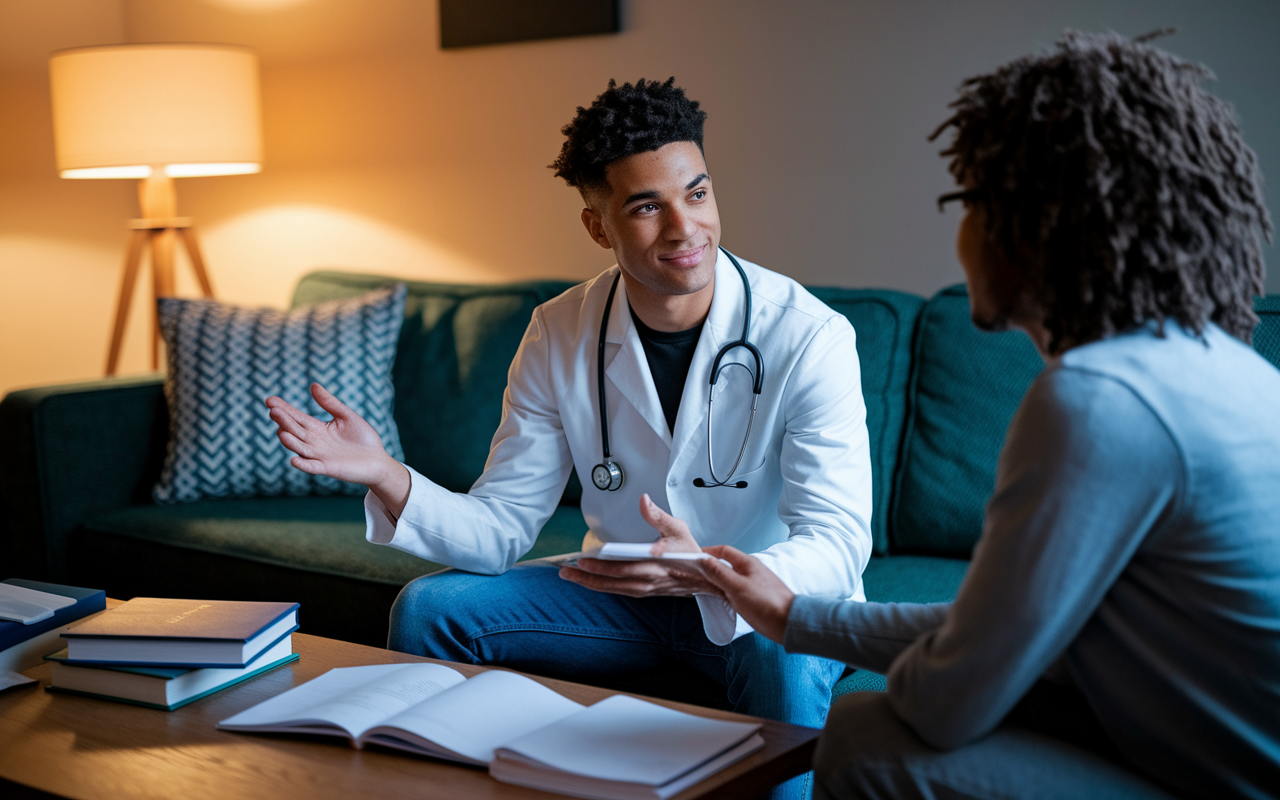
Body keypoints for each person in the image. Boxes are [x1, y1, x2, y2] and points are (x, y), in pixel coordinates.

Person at [673, 31, 1280, 800]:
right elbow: (997, 629)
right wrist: (793, 615)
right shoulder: (1218, 368)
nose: (957, 235)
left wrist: (948, 665)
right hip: (1184, 744)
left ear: (1031, 228)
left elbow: (949, 702)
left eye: (970, 203)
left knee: (869, 739)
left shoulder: (1098, 402)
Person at [265, 77, 872, 799]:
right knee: (431, 609)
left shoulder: (807, 335)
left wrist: (707, 572)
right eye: (647, 207)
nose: (685, 228)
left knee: (782, 649)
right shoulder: (559, 331)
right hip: (622, 600)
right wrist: (387, 475)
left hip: (758, 601)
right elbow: (499, 528)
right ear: (598, 227)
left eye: (697, 193)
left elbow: (837, 542)